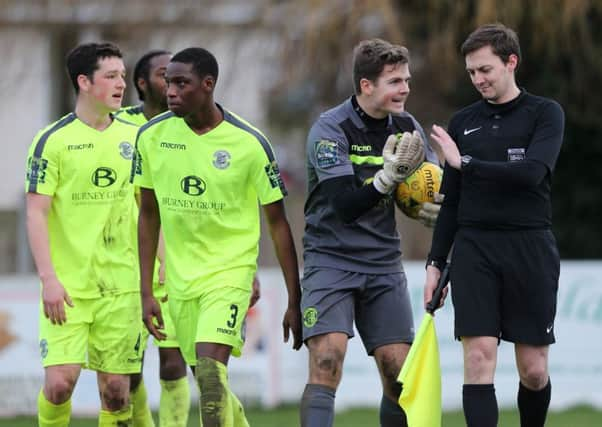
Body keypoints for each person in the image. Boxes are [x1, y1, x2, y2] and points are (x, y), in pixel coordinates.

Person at [132, 47, 303, 426]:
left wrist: (294, 297)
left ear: (208, 85)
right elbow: (148, 215)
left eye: (181, 83)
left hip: (230, 273)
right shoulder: (151, 137)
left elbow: (278, 223)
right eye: (167, 82)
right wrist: (146, 291)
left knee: (210, 372)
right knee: (209, 381)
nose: (171, 91)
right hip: (179, 280)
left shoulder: (249, 143)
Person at [423, 23, 564, 427]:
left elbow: (531, 174)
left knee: (534, 370)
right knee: (478, 357)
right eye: (471, 72)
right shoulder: (463, 122)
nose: (478, 79)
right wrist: (435, 263)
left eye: (485, 69)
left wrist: (464, 163)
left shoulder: (545, 113)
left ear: (511, 62)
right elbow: (451, 201)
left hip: (530, 246)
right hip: (475, 249)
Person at [300, 38, 439, 427]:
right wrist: (385, 179)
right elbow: (344, 205)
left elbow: (422, 186)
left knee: (399, 375)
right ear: (366, 86)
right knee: (328, 358)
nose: (405, 88)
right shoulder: (330, 129)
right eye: (395, 81)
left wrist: (433, 207)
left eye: (406, 80)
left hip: (382, 264)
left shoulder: (408, 127)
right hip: (331, 260)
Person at [25, 42, 141, 426]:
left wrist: (159, 265)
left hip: (121, 285)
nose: (121, 83)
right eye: (111, 76)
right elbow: (36, 213)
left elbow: (150, 210)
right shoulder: (52, 141)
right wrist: (49, 280)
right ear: (84, 82)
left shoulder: (137, 135)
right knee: (60, 384)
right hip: (69, 288)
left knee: (116, 392)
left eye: (123, 76)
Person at [118, 49, 191, 427]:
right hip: (127, 265)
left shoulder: (191, 124)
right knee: (129, 369)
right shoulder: (117, 127)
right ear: (143, 84)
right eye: (166, 75)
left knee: (174, 360)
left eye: (179, 77)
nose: (174, 83)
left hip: (178, 263)